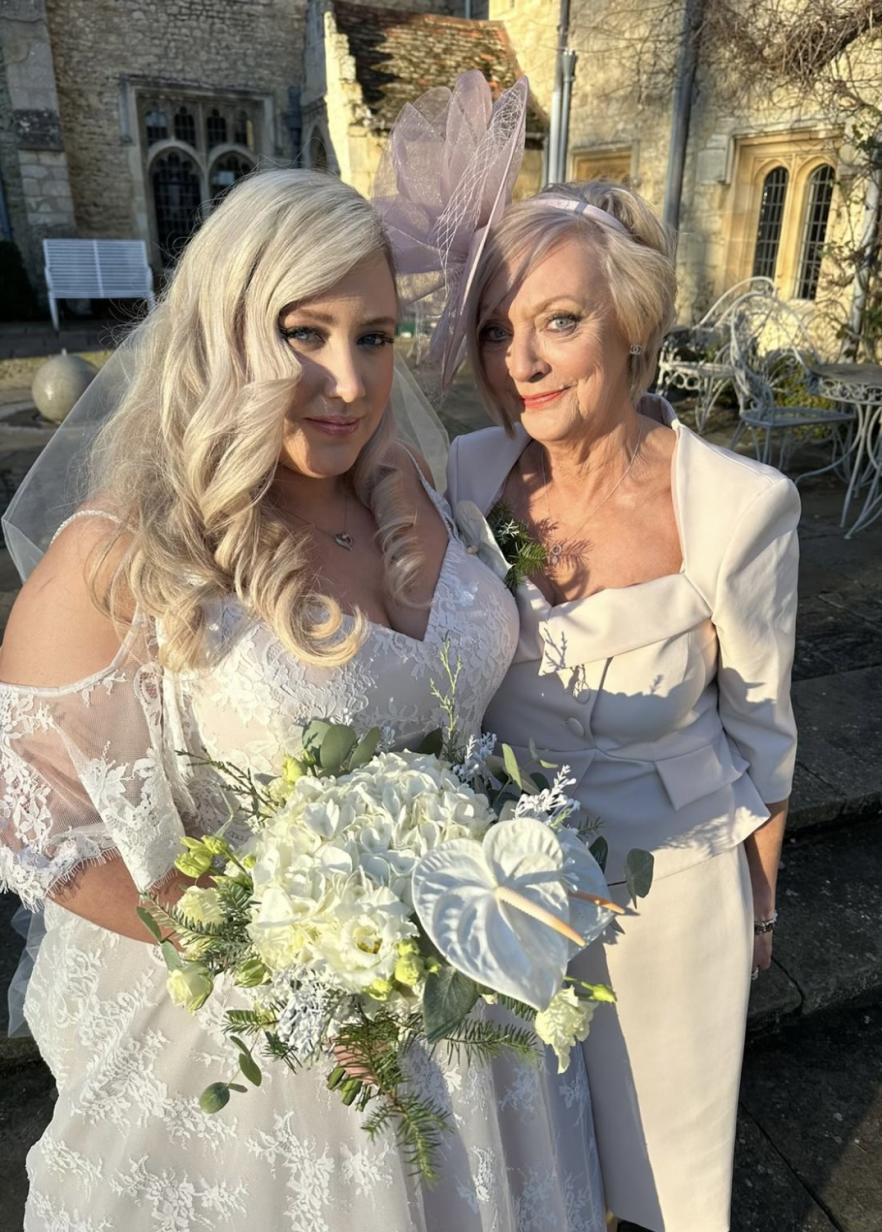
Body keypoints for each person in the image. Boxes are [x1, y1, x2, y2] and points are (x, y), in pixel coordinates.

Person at [0, 169, 605, 1231]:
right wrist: (267, 939)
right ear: (224, 332)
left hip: (476, 1024)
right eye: (303, 333)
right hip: (278, 1062)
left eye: (374, 337)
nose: (350, 381)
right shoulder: (129, 553)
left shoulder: (409, 482)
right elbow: (26, 808)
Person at [446, 180, 800, 1232]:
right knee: (527, 1169)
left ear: (633, 321)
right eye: (498, 327)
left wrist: (764, 904)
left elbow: (765, 732)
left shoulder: (742, 505)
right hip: (501, 890)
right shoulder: (465, 472)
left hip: (672, 893)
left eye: (561, 319)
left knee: (658, 1178)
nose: (524, 361)